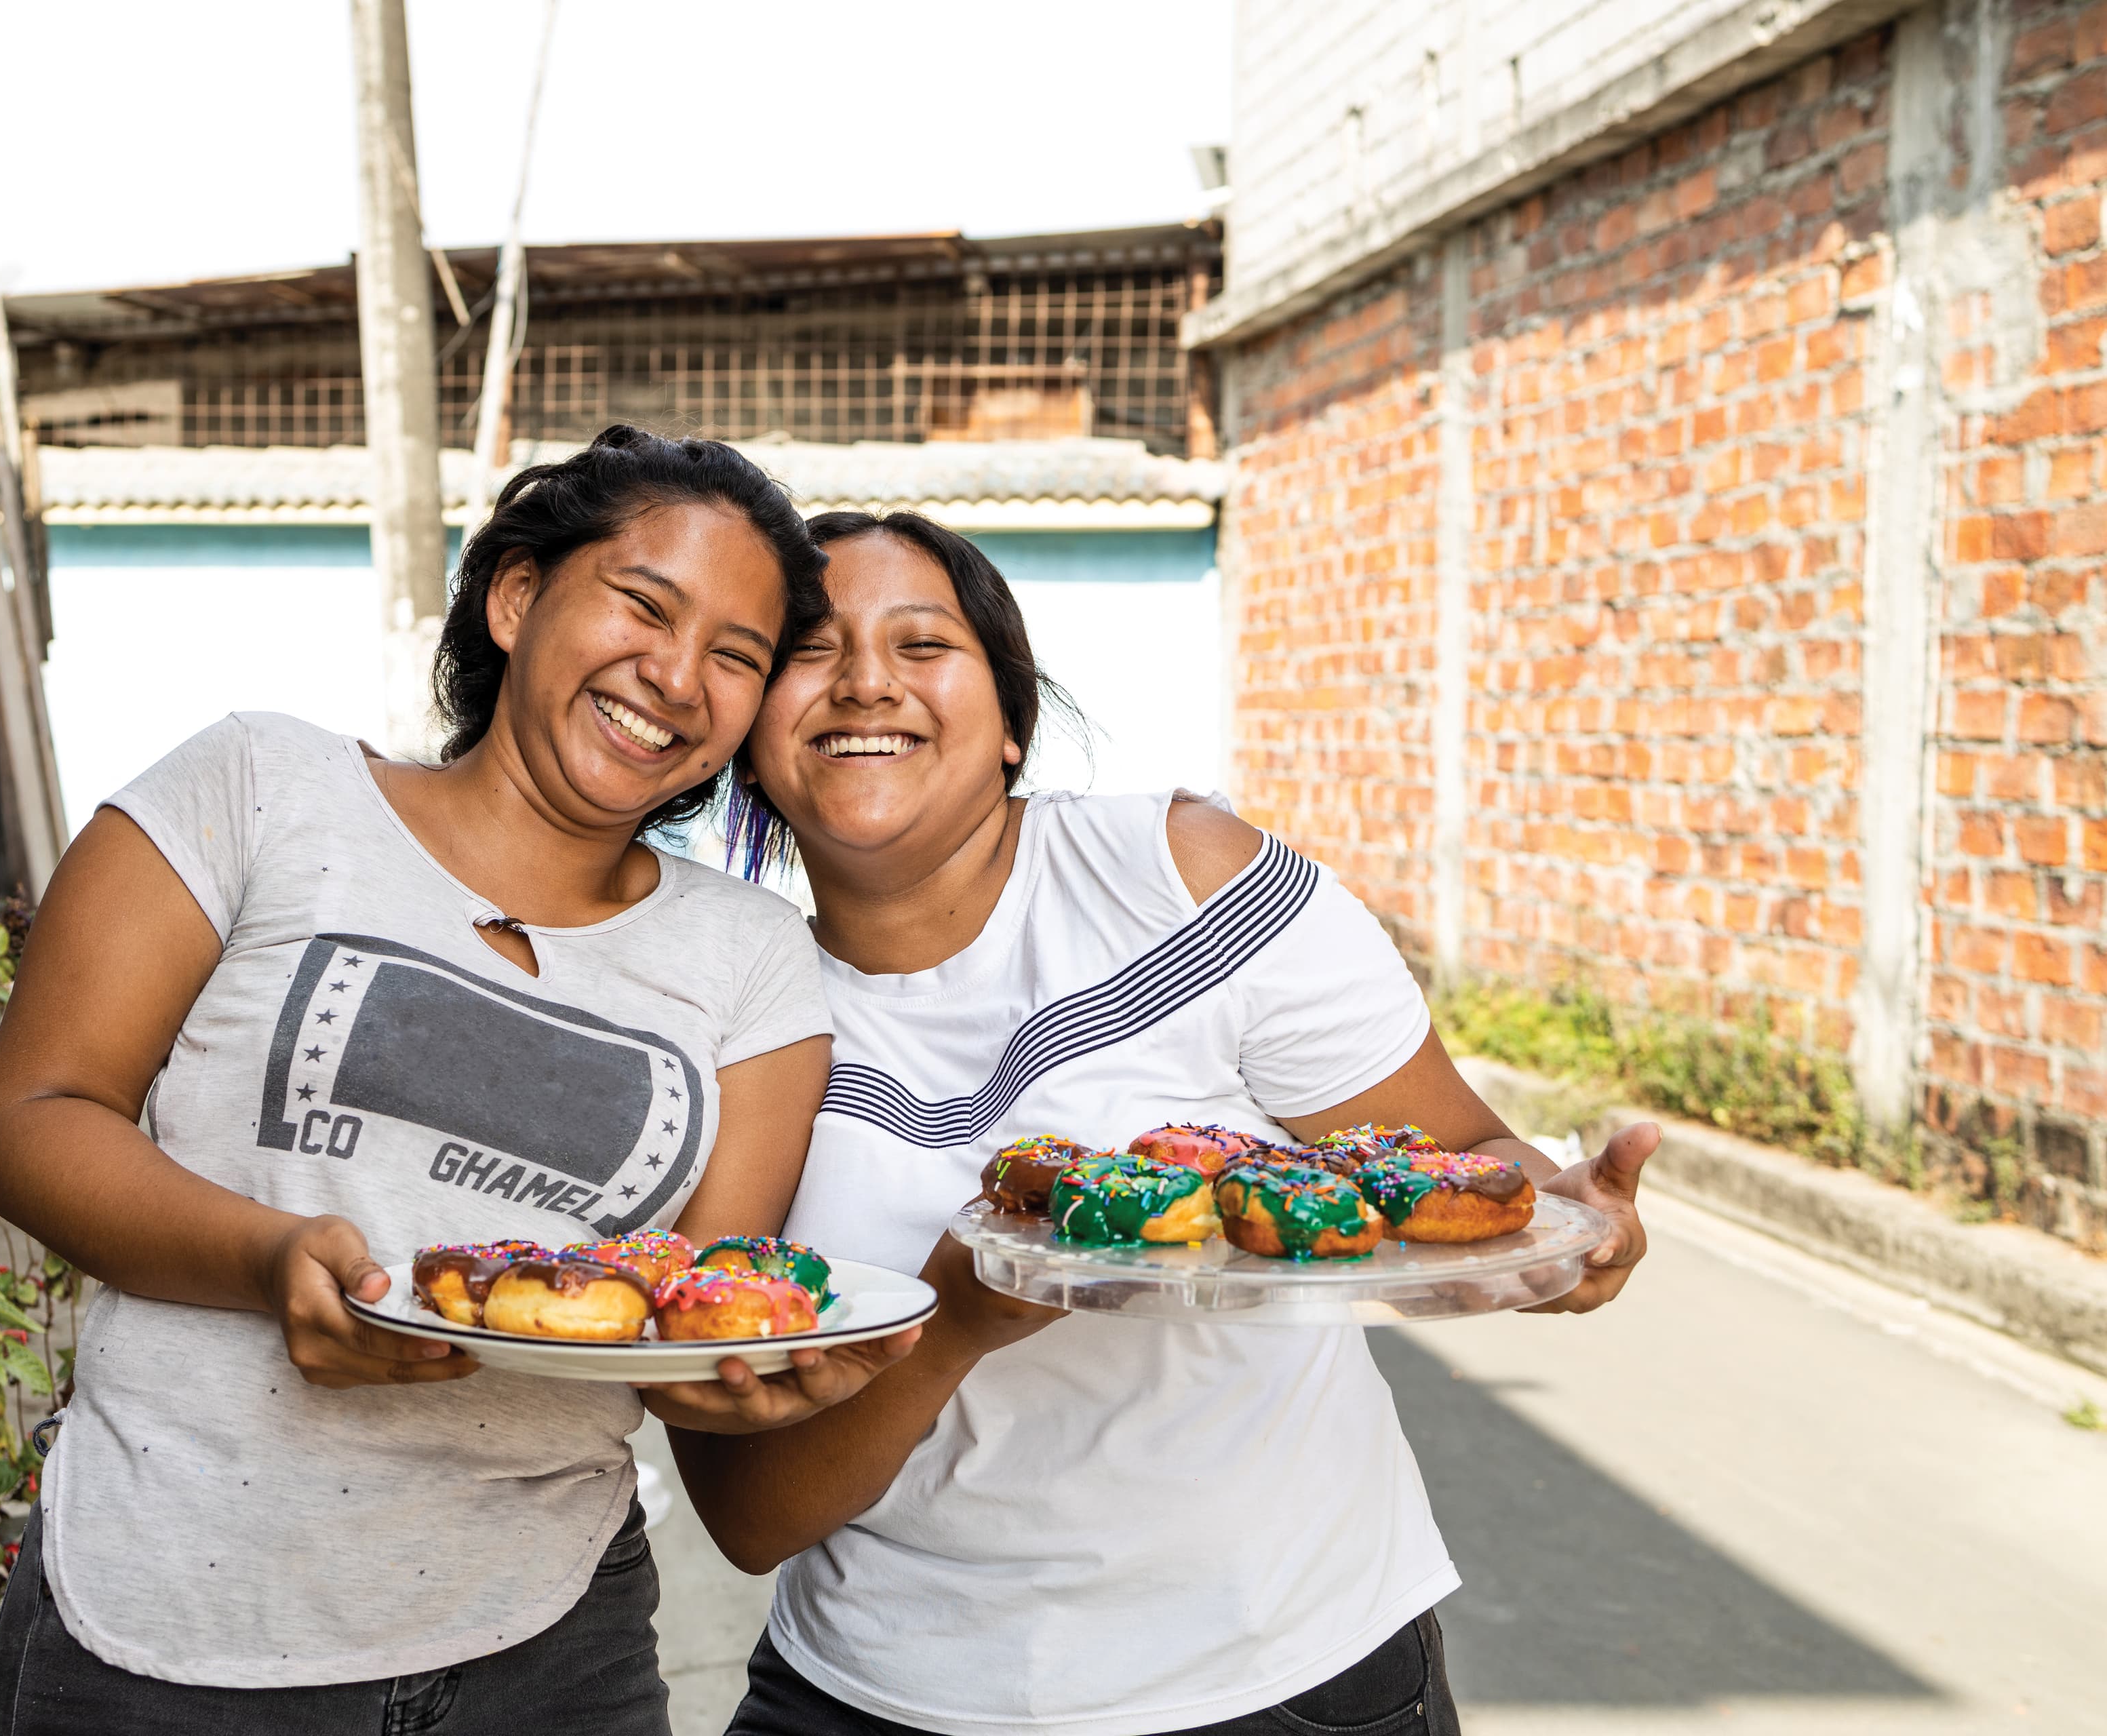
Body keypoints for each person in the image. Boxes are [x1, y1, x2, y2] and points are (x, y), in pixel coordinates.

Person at [0, 429, 918, 1735]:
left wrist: (770, 1375)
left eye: (739, 656)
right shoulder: (260, 787)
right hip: (176, 1628)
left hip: (553, 1651)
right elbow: (29, 1121)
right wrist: (269, 1259)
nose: (678, 676)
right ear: (518, 597)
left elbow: (694, 1310)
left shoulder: (748, 958)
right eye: (645, 605)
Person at [663, 511, 1657, 1736]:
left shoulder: (1178, 875)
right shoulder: (731, 1009)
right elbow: (750, 1518)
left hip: (1278, 1672)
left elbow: (1466, 1166)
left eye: (924, 643)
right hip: (877, 1689)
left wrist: (1560, 1234)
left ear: (1011, 718)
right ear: (748, 742)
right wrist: (961, 1319)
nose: (870, 679)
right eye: (811, 650)